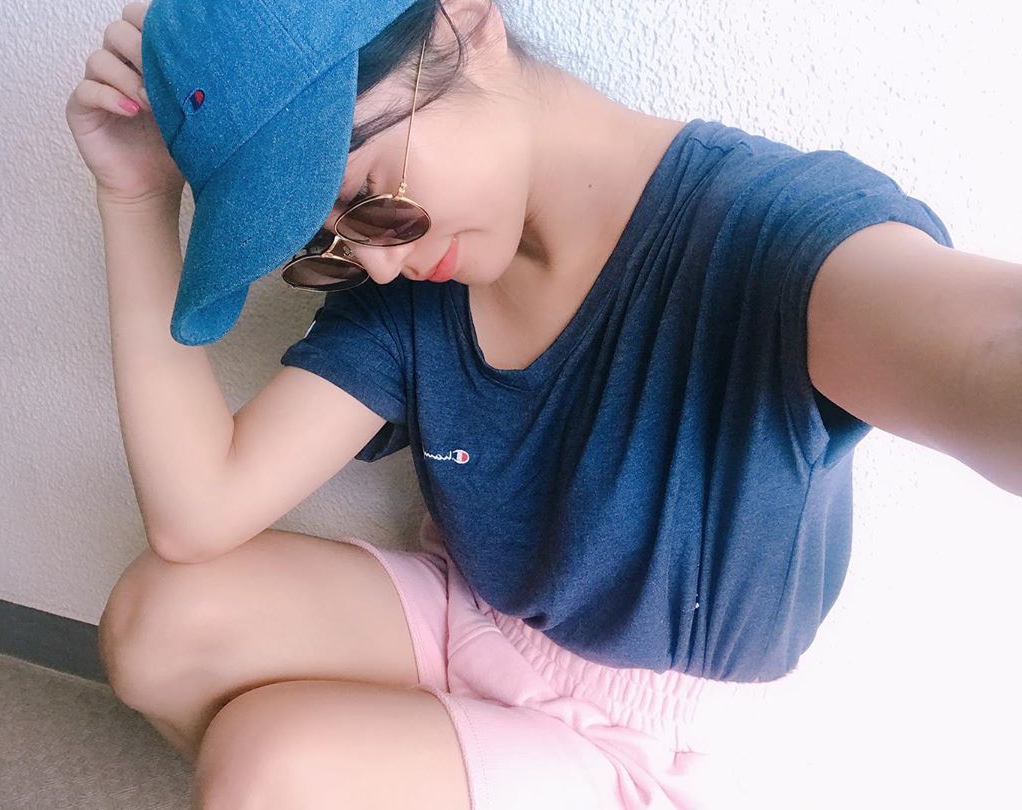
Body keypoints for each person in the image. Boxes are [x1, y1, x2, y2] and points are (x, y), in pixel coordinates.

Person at [66, 0, 1019, 808]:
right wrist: (135, 198)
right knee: (158, 623)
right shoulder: (417, 285)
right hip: (477, 618)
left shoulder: (764, 233)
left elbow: (979, 350)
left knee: (269, 768)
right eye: (332, 242)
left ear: (465, 22)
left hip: (653, 735)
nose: (379, 263)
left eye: (370, 197)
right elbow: (199, 511)